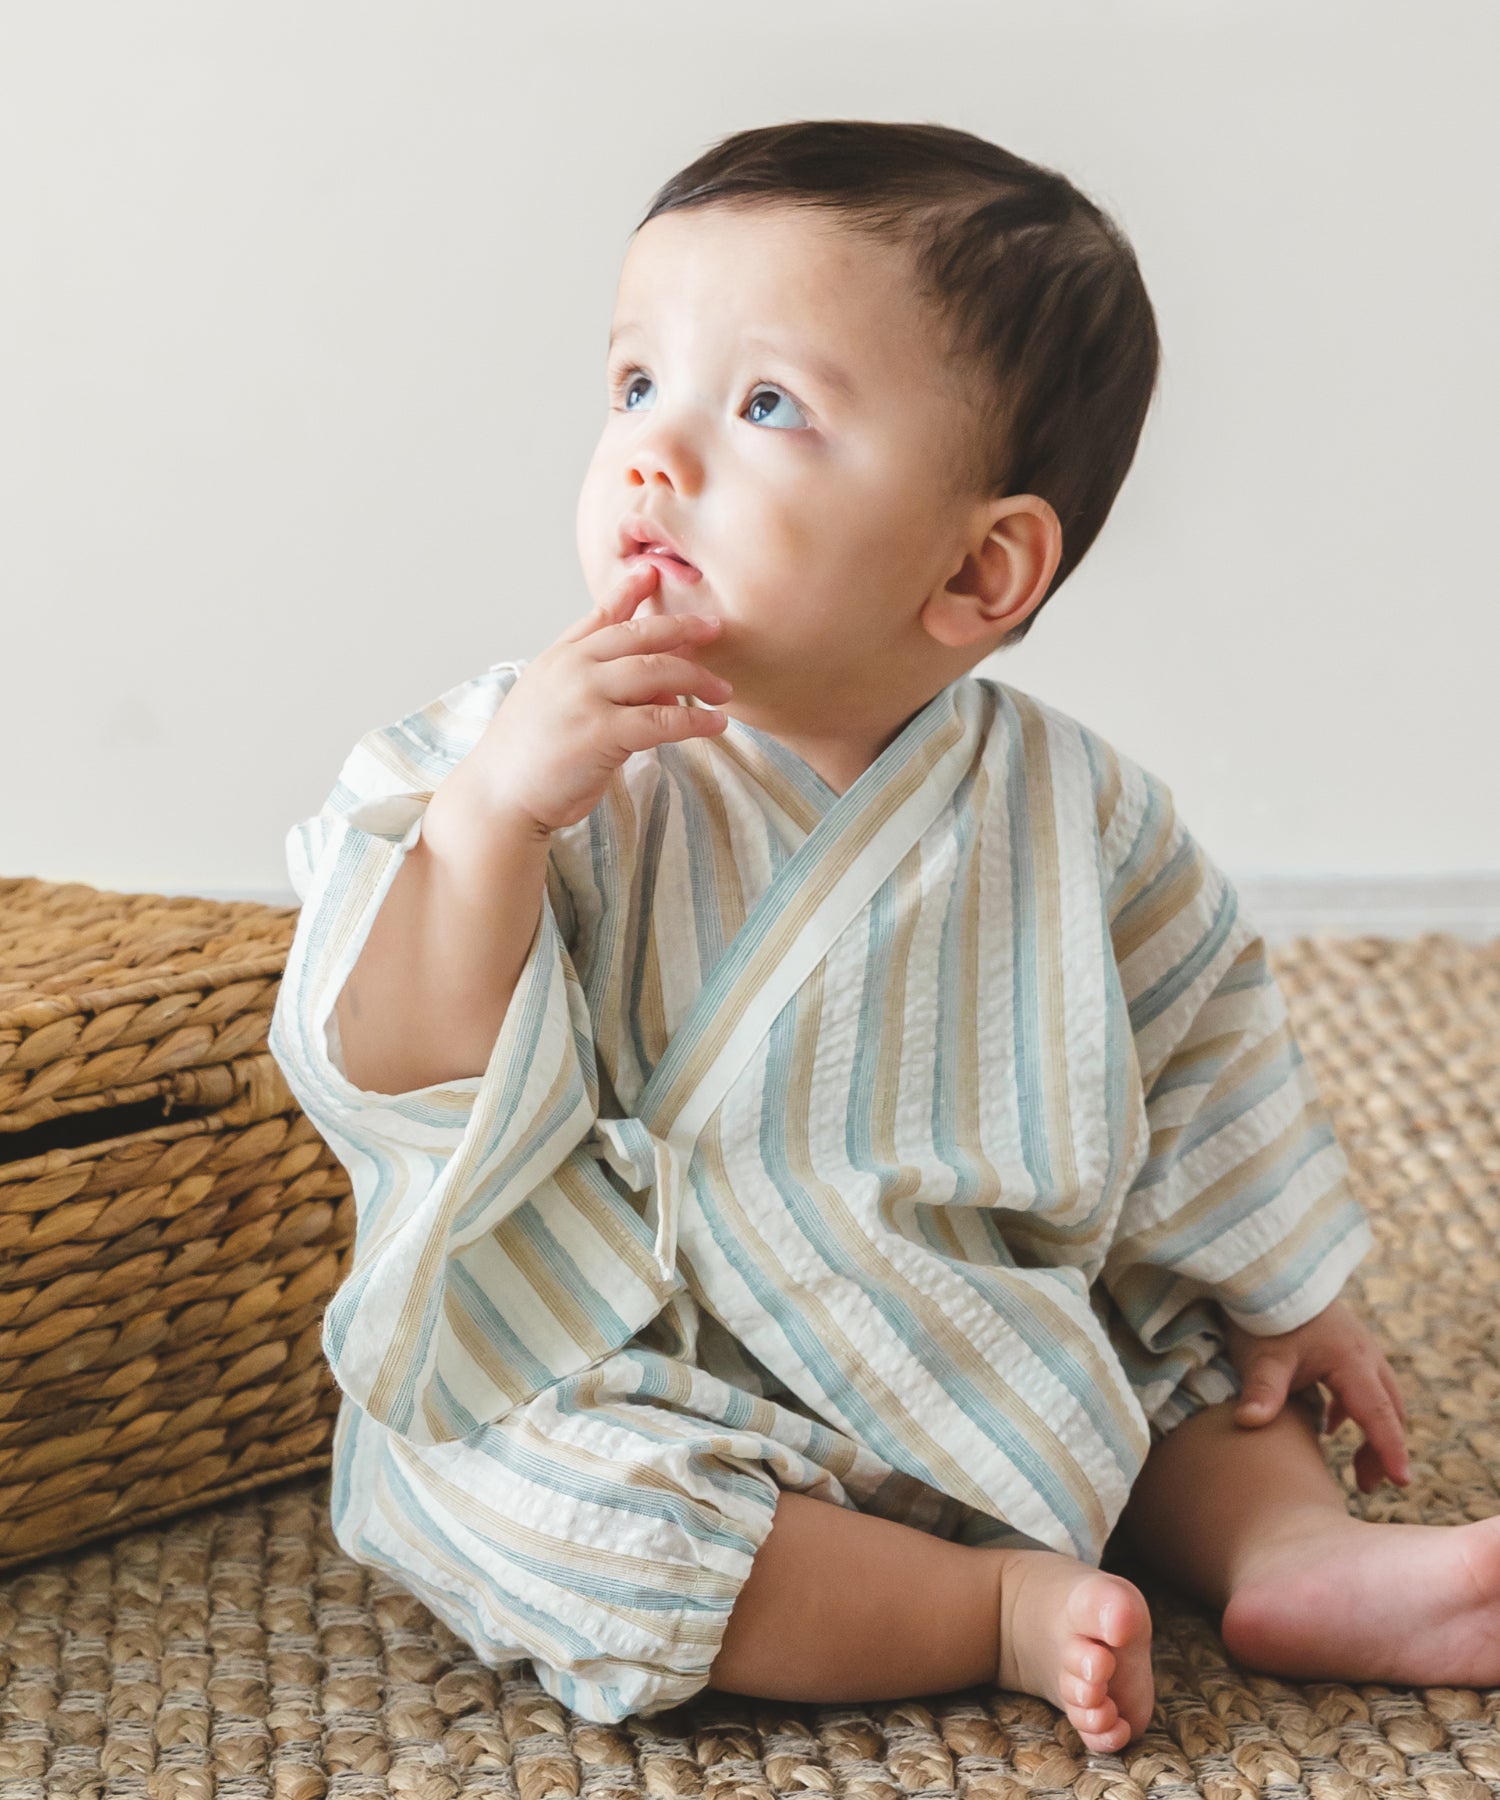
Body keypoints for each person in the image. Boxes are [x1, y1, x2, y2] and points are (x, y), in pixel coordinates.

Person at [268, 120, 1490, 1757]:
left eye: (764, 406)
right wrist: (491, 826)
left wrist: (1286, 1285)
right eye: (636, 385)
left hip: (982, 1333)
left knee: (1195, 1350)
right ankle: (985, 1607)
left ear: (984, 566)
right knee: (508, 1485)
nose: (655, 454)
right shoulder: (497, 763)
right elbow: (393, 1060)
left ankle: (1292, 1554)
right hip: (656, 1363)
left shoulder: (1081, 813)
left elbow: (1202, 1044)